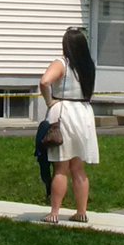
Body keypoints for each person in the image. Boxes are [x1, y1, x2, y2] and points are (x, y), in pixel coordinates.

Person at [38, 26, 99, 224]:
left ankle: (55, 212)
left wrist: (50, 102)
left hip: (64, 112)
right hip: (84, 113)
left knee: (61, 167)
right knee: (78, 167)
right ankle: (81, 211)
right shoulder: (88, 65)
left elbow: (44, 82)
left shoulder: (62, 63)